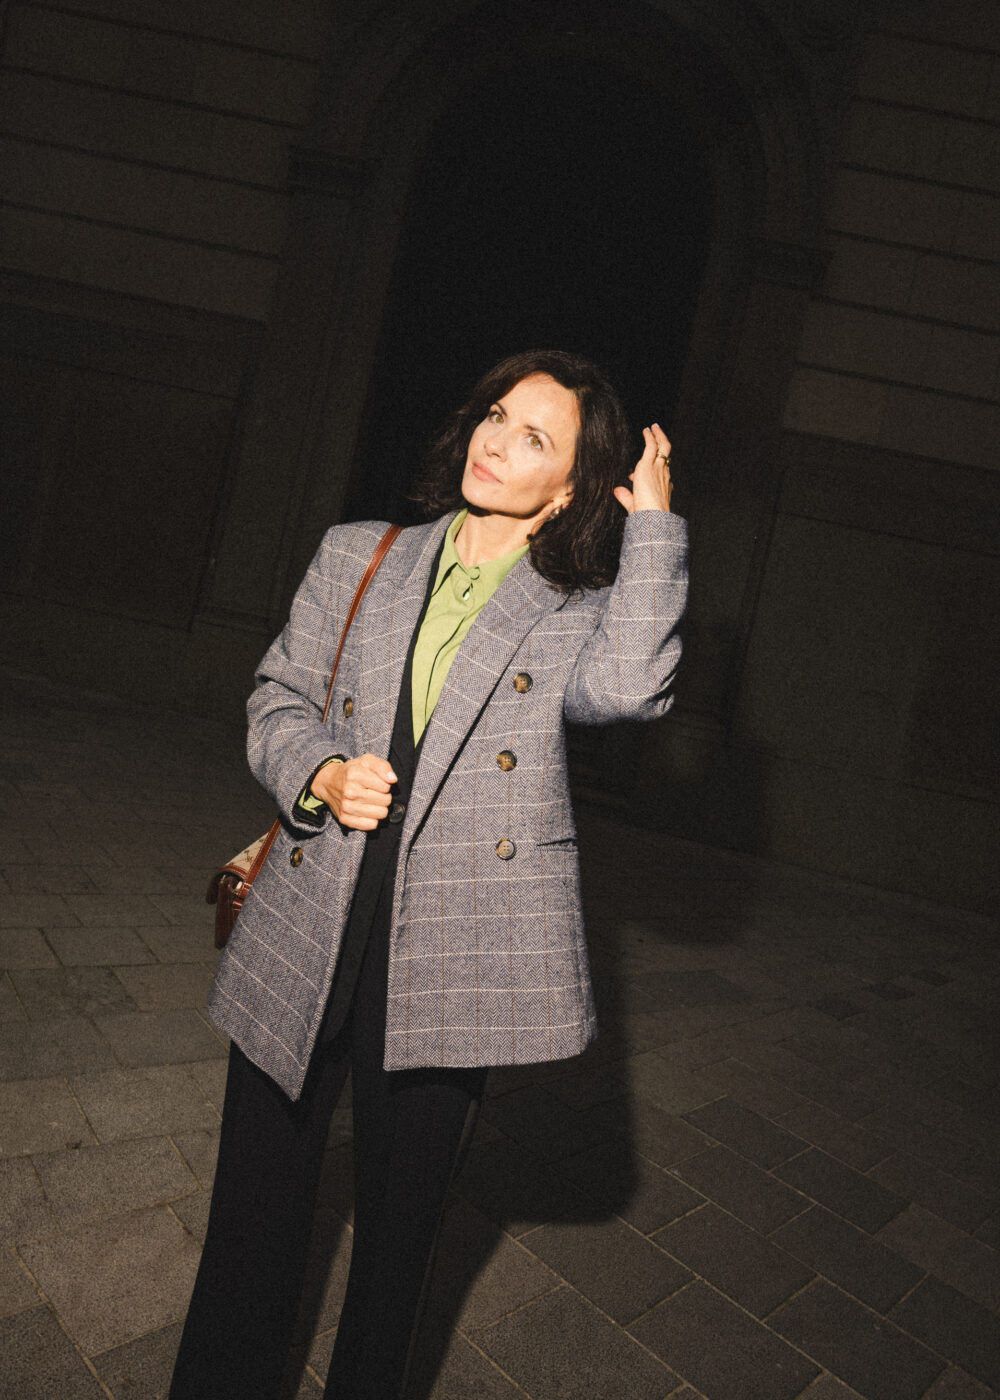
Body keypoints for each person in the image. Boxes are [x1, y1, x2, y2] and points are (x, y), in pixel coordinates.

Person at [169, 349, 688, 1399]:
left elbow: (633, 689)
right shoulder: (360, 553)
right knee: (251, 1223)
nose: (496, 442)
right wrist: (319, 769)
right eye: (497, 415)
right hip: (308, 921)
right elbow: (277, 694)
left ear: (571, 488)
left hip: (451, 954)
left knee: (397, 1248)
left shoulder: (572, 610)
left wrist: (656, 529)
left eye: (534, 438)